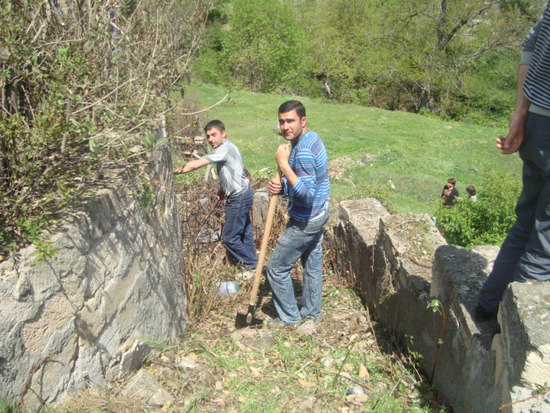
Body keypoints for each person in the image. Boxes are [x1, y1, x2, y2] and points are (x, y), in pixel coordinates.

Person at [475, 5, 550, 321]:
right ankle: (515, 334)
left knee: (529, 220)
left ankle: (490, 305)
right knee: (545, 243)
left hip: (536, 120)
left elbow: (532, 45)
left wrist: (520, 111)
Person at [265, 100, 330, 327]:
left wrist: (283, 166)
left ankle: (290, 319)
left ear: (303, 120)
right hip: (320, 212)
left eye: (290, 121)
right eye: (282, 121)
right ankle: (311, 314)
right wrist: (283, 186)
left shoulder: (302, 151)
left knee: (276, 268)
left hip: (305, 220)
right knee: (311, 265)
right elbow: (303, 182)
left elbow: (307, 195)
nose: (285, 126)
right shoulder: (312, 138)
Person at [173, 120, 258, 270]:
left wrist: (171, 172)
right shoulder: (228, 147)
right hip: (244, 193)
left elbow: (196, 164)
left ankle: (251, 265)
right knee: (244, 233)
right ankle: (253, 265)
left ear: (223, 133)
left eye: (214, 135)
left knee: (229, 238)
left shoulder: (223, 149)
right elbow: (232, 170)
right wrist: (222, 190)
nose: (211, 139)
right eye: (208, 136)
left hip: (238, 197)